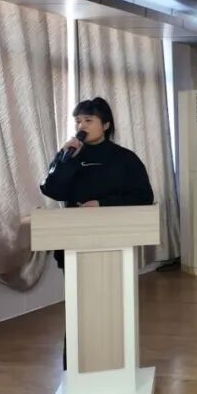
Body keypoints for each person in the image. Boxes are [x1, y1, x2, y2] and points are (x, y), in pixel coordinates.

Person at [39, 97, 154, 369]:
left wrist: (102, 204)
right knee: (79, 307)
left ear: (106, 125)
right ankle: (74, 370)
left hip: (115, 240)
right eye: (78, 121)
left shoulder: (125, 158)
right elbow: (52, 189)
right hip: (75, 240)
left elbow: (143, 196)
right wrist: (65, 160)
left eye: (88, 120)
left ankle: (115, 365)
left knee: (111, 306)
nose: (81, 126)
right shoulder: (70, 155)